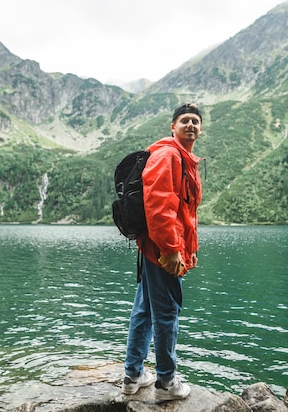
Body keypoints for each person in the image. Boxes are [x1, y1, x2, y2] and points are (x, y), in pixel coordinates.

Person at [122, 103, 203, 400]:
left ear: (201, 128)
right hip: (161, 249)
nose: (191, 125)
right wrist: (170, 249)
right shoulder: (168, 155)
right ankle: (167, 382)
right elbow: (159, 205)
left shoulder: (183, 158)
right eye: (185, 120)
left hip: (157, 247)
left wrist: (188, 250)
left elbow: (184, 213)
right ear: (173, 126)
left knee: (144, 310)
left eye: (196, 121)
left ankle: (133, 376)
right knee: (167, 312)